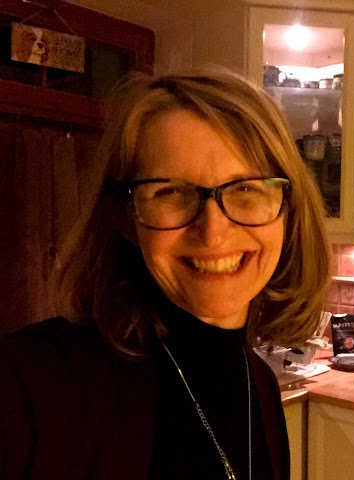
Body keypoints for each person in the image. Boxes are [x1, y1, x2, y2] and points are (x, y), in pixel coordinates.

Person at [0, 68, 331, 480]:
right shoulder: (44, 382)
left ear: (288, 211)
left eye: (246, 188)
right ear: (126, 218)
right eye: (170, 192)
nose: (212, 233)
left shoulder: (259, 386)